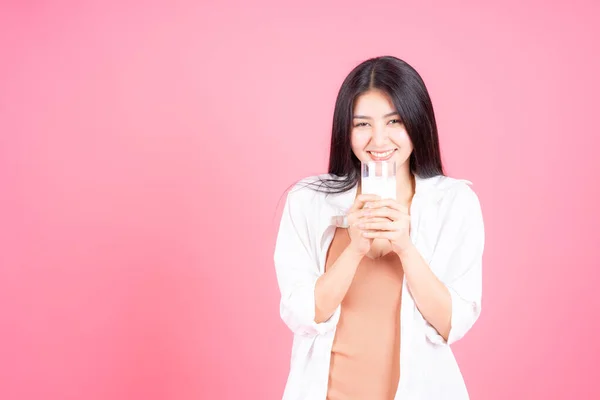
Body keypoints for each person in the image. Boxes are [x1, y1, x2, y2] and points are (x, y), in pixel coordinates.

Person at [273, 56, 485, 400]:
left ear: (418, 122)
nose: (378, 139)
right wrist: (355, 248)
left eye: (394, 121)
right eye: (362, 124)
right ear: (346, 129)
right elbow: (302, 314)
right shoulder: (307, 200)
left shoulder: (454, 202)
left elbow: (452, 323)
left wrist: (405, 246)